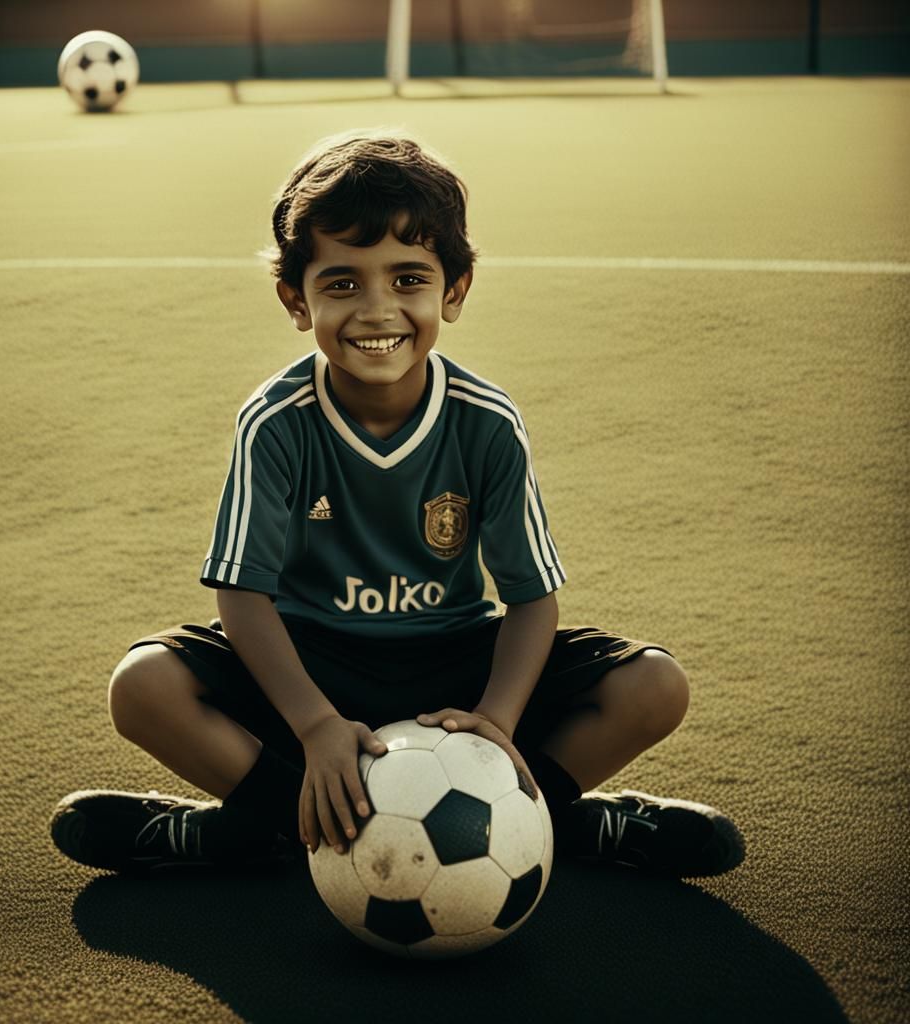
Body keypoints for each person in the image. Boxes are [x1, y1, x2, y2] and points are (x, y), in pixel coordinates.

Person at [51, 131, 744, 878]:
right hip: (310, 662)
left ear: (454, 289)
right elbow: (242, 595)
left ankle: (541, 817)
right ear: (296, 297)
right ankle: (282, 824)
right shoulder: (276, 422)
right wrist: (315, 723)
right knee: (144, 686)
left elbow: (531, 602)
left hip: (455, 667)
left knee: (654, 686)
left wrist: (497, 723)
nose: (378, 310)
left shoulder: (486, 421)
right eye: (342, 283)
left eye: (408, 279)